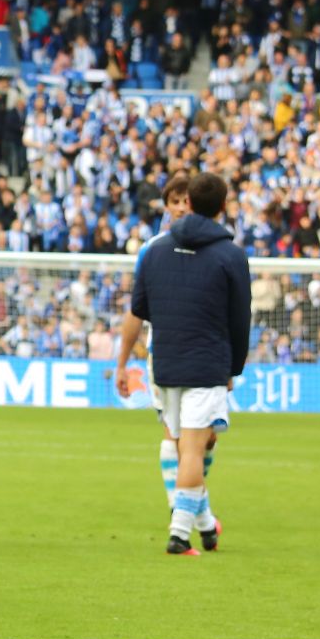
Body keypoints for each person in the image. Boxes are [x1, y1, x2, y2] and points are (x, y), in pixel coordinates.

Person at [127, 173, 251, 556]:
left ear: (190, 204)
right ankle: (180, 534)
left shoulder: (156, 250)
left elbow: (140, 307)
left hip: (165, 362)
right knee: (194, 450)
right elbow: (239, 318)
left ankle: (206, 526)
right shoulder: (231, 255)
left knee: (185, 447)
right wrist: (234, 368)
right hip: (207, 363)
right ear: (222, 207)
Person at [114, 176, 221, 518]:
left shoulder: (218, 248)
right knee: (176, 434)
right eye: (174, 201)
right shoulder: (153, 250)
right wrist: (121, 362)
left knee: (206, 438)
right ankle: (182, 511)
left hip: (206, 354)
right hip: (166, 352)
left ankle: (192, 506)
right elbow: (136, 310)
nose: (180, 207)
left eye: (185, 201)